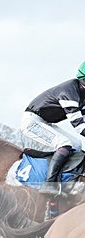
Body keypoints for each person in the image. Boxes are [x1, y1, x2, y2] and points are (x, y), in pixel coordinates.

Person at [21, 61, 85, 194]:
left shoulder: (82, 93)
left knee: (76, 144)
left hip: (45, 122)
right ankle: (49, 184)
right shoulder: (69, 91)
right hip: (32, 122)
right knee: (64, 143)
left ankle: (66, 179)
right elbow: (78, 125)